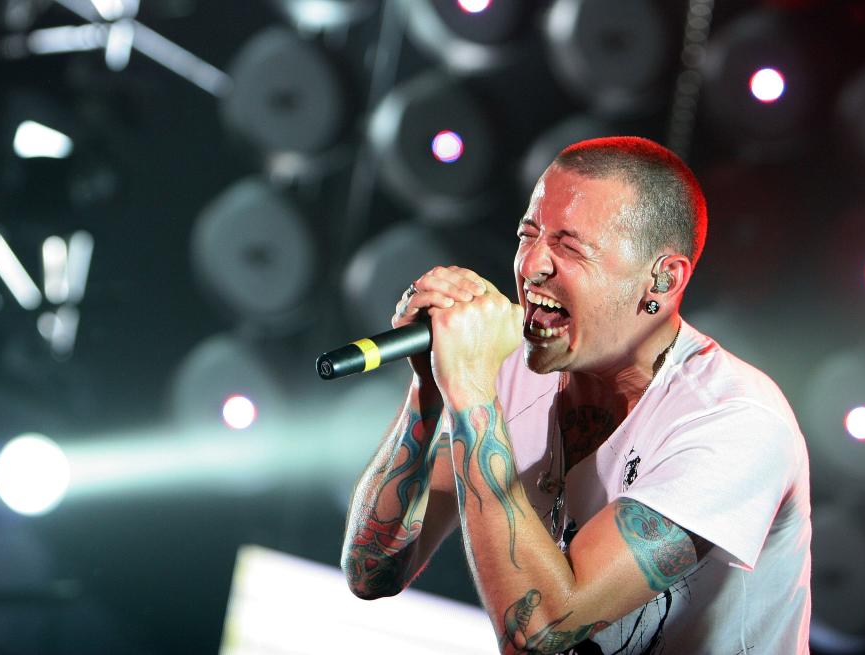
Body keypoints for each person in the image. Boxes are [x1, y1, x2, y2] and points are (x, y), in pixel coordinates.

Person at [340, 136, 811, 654]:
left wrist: (472, 393)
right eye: (528, 234)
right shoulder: (503, 362)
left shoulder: (734, 420)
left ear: (662, 279)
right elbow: (372, 572)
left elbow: (540, 632)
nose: (532, 265)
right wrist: (429, 387)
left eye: (568, 246)